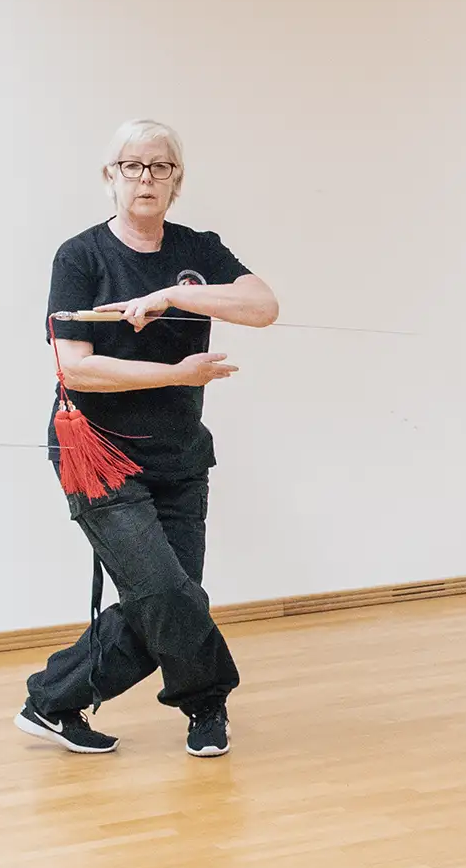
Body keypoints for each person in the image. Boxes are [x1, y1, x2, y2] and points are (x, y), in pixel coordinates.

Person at [15, 119, 277, 757]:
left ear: (176, 180)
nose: (146, 178)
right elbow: (75, 367)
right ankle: (208, 699)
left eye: (160, 167)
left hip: (180, 452)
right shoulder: (80, 256)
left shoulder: (198, 251)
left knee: (169, 597)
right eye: (132, 166)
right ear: (111, 176)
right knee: (164, 593)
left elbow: (262, 306)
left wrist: (171, 296)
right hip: (97, 454)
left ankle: (51, 701)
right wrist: (177, 373)